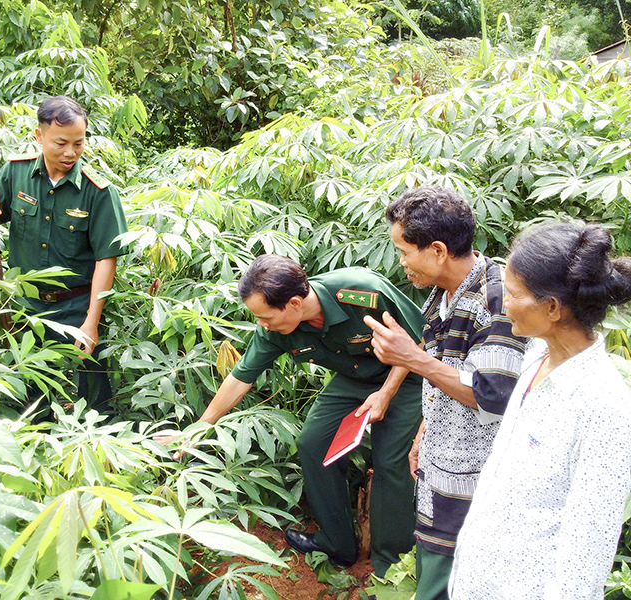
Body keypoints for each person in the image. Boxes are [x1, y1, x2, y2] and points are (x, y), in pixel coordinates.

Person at [170, 254, 425, 576]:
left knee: (391, 462)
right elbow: (240, 378)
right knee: (312, 444)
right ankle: (338, 544)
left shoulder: (362, 292)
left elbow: (418, 340)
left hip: (405, 376)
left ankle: (388, 564)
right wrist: (197, 430)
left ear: (293, 304)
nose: (262, 325)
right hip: (352, 379)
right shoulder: (275, 328)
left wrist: (386, 393)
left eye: (266, 318)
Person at [449, 222, 631, 600]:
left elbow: (588, 554)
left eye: (512, 293)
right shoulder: (535, 360)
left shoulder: (604, 406)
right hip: (480, 582)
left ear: (552, 308)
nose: (502, 302)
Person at [362, 185, 526, 600]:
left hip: (477, 478)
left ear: (437, 250)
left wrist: (411, 358)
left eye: (403, 251)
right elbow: (448, 378)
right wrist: (424, 434)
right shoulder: (442, 295)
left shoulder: (497, 298)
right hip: (444, 460)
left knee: (450, 580)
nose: (401, 264)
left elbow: (493, 393)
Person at [0, 95, 128, 412]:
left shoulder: (99, 192)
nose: (70, 152)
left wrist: (91, 323)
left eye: (78, 144)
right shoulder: (16, 173)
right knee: (32, 399)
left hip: (77, 309)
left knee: (93, 400)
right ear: (39, 136)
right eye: (60, 143)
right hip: (25, 309)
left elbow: (106, 260)